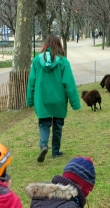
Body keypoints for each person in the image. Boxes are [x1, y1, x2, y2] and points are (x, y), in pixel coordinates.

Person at [26, 34, 80, 162]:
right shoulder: (63, 62)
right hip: (59, 100)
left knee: (44, 124)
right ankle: (56, 151)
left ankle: (44, 145)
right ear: (59, 45)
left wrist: (29, 99)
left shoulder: (36, 61)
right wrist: (75, 103)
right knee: (58, 125)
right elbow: (69, 83)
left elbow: (31, 82)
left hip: (42, 100)